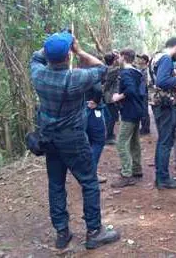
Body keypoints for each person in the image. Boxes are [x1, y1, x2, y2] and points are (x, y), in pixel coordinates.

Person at [30, 31, 119, 250]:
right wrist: (78, 49)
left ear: (48, 56)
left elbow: (35, 56)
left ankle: (62, 232)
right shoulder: (76, 78)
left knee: (56, 183)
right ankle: (94, 231)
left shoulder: (38, 75)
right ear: (68, 55)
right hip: (74, 138)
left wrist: (53, 45)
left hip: (49, 138)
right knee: (88, 182)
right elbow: (103, 69)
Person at [111, 49, 146, 188]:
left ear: (124, 57)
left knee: (121, 143)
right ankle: (137, 169)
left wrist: (118, 97)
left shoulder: (126, 73)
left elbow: (130, 90)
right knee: (134, 141)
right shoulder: (137, 72)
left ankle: (126, 174)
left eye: (119, 56)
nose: (118, 59)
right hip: (137, 110)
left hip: (129, 112)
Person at [152, 38, 176, 189]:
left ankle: (160, 176)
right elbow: (162, 81)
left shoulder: (156, 56)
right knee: (166, 142)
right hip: (165, 105)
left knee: (162, 141)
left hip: (159, 104)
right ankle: (163, 179)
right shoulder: (165, 58)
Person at [85, 82, 107, 183]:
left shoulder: (77, 71)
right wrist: (95, 101)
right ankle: (91, 173)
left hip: (83, 107)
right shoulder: (92, 71)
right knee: (98, 140)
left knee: (89, 141)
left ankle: (88, 171)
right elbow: (98, 89)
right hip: (91, 108)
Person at [103, 52, 120, 145]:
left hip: (109, 96)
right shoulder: (113, 70)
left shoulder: (105, 68)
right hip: (109, 97)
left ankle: (110, 134)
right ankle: (108, 136)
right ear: (113, 61)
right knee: (112, 117)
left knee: (111, 116)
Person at [137, 54, 151, 135]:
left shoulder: (146, 70)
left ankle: (145, 129)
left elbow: (145, 83)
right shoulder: (141, 70)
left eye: (141, 59)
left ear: (145, 61)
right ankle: (144, 127)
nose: (139, 60)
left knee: (144, 111)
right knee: (142, 111)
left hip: (144, 93)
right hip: (141, 92)